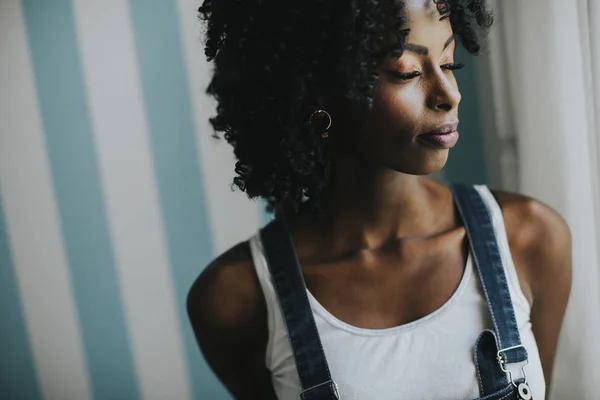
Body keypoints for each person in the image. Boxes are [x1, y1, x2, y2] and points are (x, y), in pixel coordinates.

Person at [188, 0, 572, 399]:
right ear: (319, 89)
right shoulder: (236, 297)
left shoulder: (530, 236)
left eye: (449, 62)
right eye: (406, 72)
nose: (449, 95)